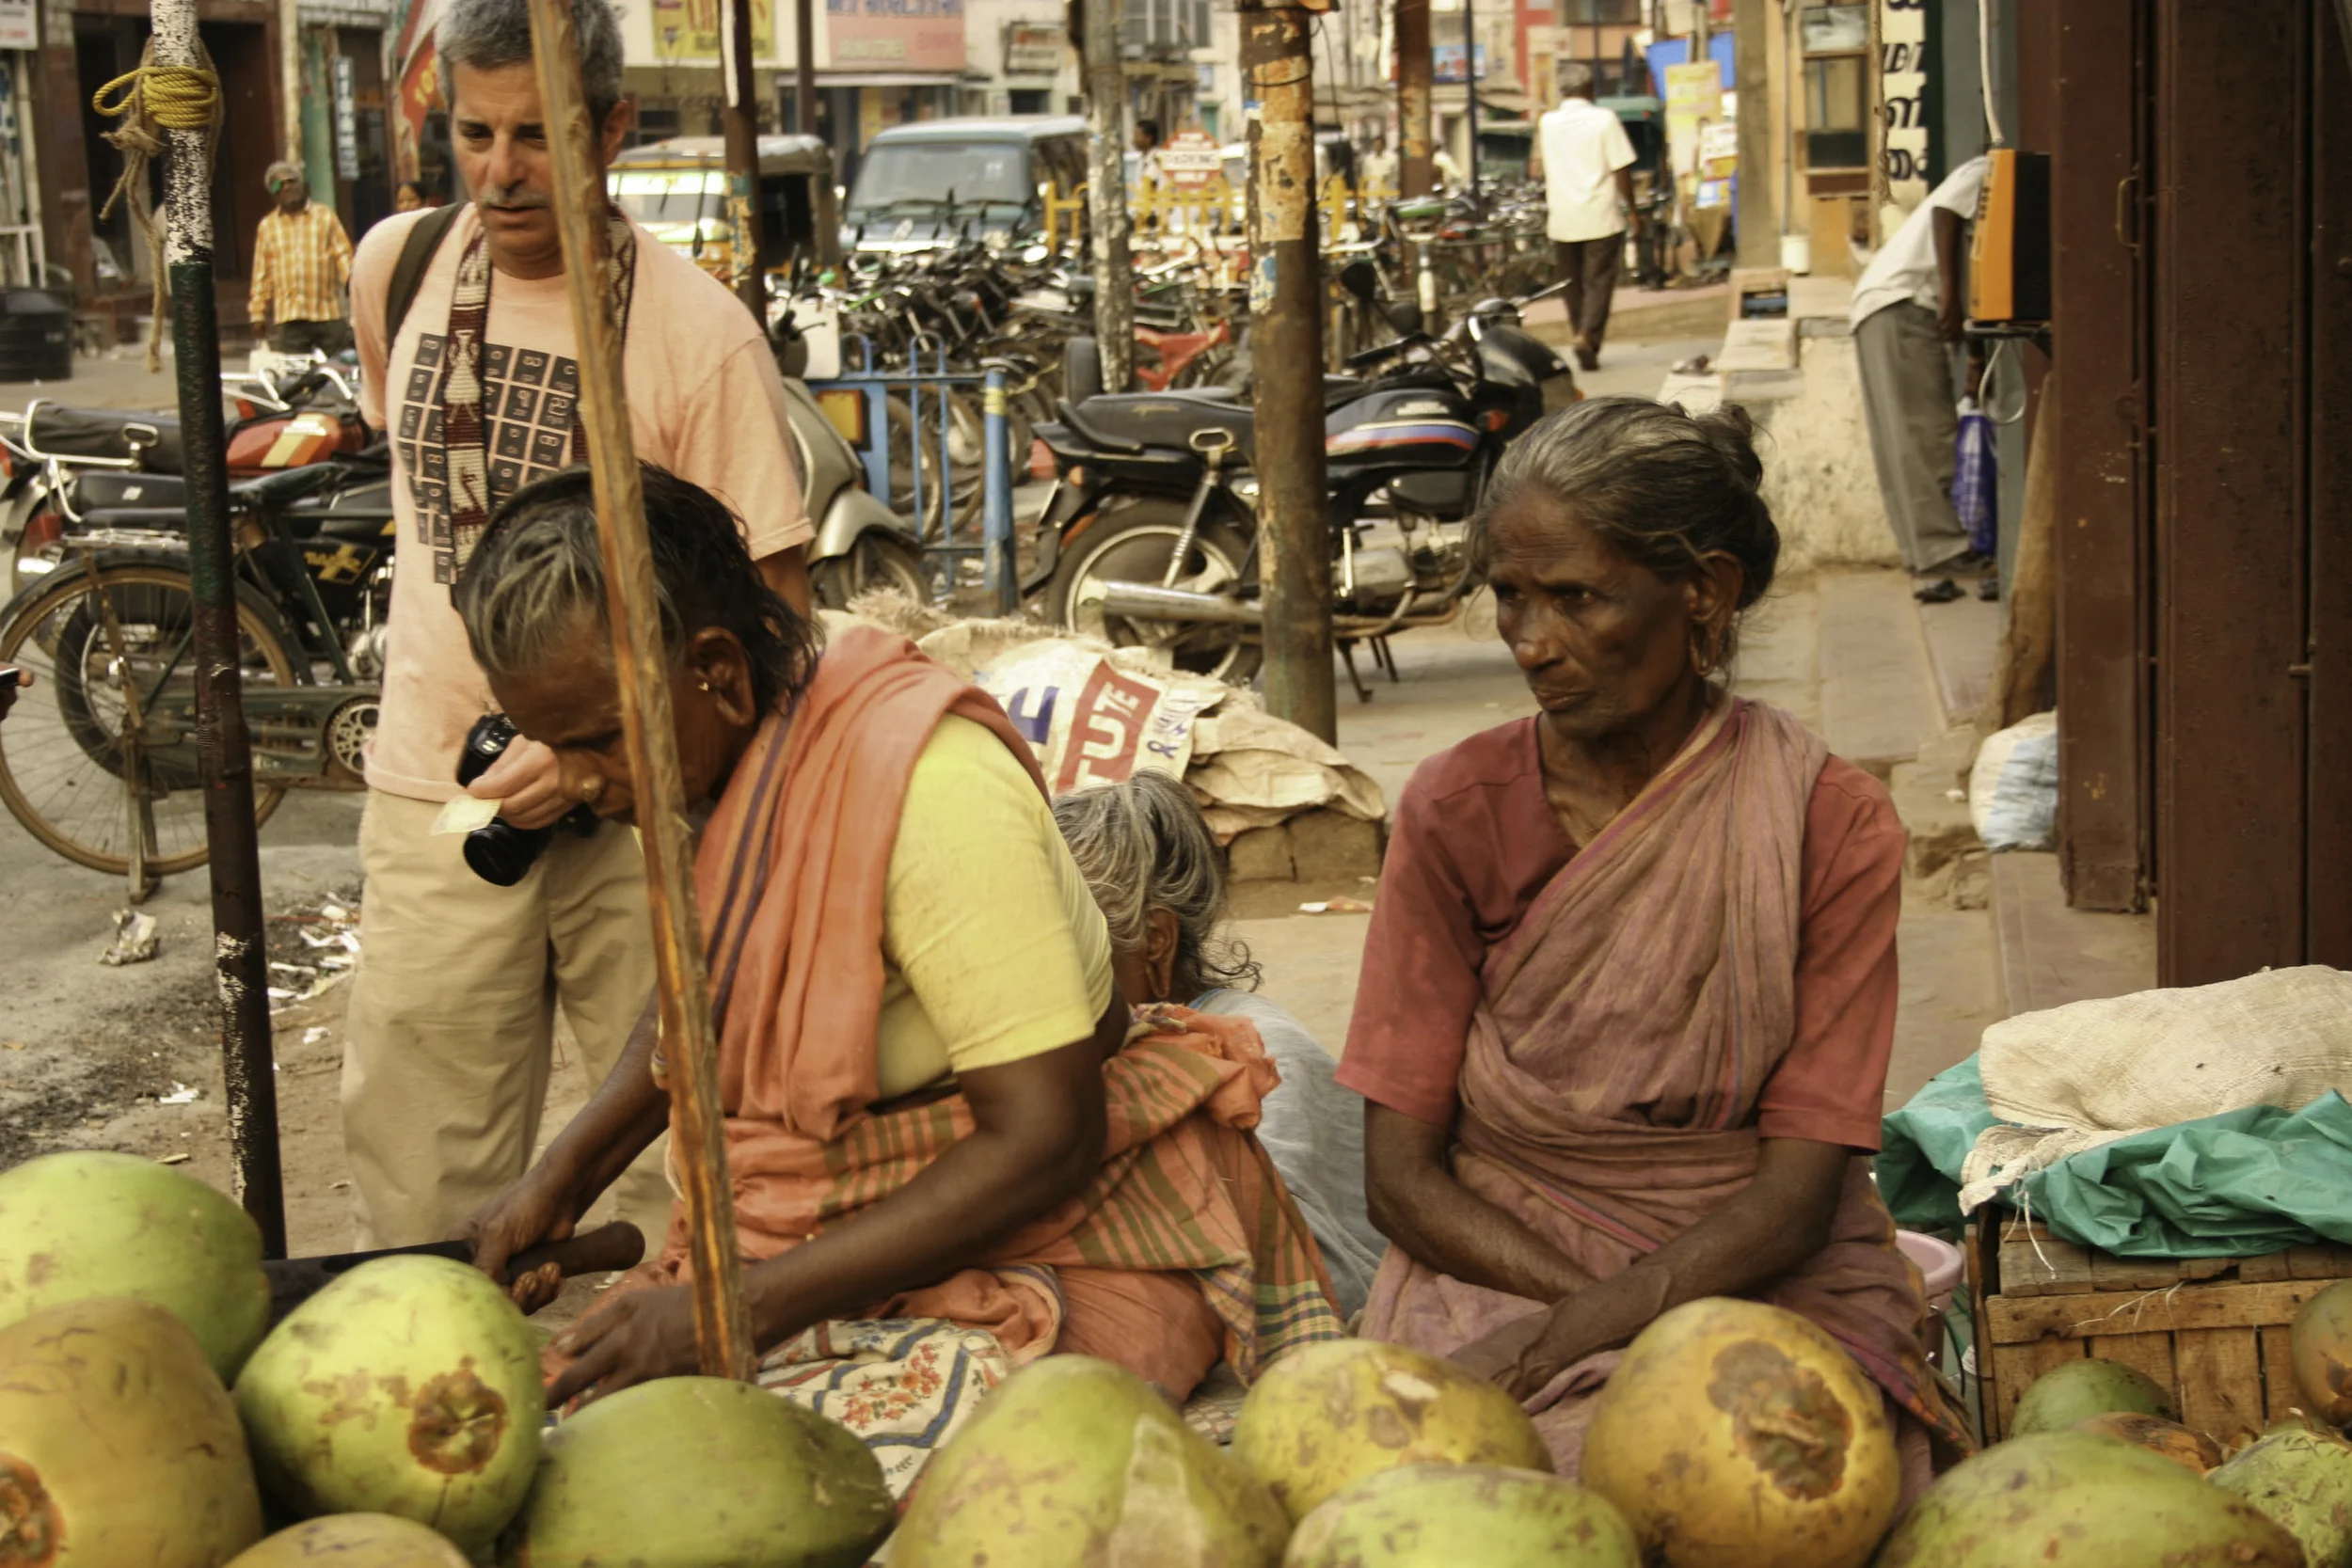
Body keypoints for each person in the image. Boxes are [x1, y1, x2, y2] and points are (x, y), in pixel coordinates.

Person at [453, 467, 1341, 1485]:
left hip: (1072, 1240)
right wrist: (557, 1178)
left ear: (717, 671)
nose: (573, 780)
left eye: (598, 740)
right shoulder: (729, 760)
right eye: (551, 744)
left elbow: (1048, 1136)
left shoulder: (931, 789)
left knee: (777, 1494)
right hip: (823, 1247)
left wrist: (735, 1308)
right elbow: (710, 990)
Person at [1337, 397, 1972, 1491]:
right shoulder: (1457, 808)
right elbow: (1399, 1174)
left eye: (1576, 598)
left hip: (1756, 1263)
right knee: (1479, 1493)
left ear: (1704, 592)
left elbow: (1798, 1187)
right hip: (1493, 1256)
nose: (1532, 644)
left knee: (1778, 1487)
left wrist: (1605, 1323)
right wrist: (1583, 1320)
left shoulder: (1826, 821)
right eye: (1509, 598)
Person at [341, 0, 815, 1251]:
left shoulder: (699, 339)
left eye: (539, 137)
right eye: (475, 134)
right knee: (423, 1191)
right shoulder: (395, 267)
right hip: (436, 804)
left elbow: (776, 624)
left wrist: (603, 749)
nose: (500, 173)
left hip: (642, 825)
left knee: (673, 1185)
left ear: (611, 129)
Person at [1052, 771, 1386, 1320]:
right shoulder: (1087, 1050)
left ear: (1155, 942)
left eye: (1065, 948)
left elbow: (1298, 1274)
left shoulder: (1258, 1056)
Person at [1851, 154, 1993, 592]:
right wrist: (1950, 293)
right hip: (1903, 304)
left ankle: (1925, 553)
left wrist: (1973, 358)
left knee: (1905, 439)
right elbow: (1944, 211)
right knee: (1924, 434)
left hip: (1885, 305)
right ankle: (1943, 550)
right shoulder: (1987, 170)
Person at [1535, 63, 1637, 372]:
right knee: (1599, 280)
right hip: (1601, 213)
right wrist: (1632, 209)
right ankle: (1586, 336)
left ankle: (1581, 332)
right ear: (1590, 88)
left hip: (1563, 215)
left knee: (1572, 282)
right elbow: (1621, 168)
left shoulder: (1547, 123)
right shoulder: (1604, 120)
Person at [248, 162, 356, 356]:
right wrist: (258, 313)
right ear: (273, 193)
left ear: (302, 185)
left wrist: (355, 290)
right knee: (292, 379)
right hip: (290, 317)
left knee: (341, 373)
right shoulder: (268, 226)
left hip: (328, 312)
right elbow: (261, 274)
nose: (288, 186)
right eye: (279, 184)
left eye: (292, 181)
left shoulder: (325, 216)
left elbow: (344, 256)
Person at [1359, 130, 1398, 198]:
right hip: (1372, 193)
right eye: (1376, 145)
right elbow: (1365, 177)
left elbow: (1396, 174)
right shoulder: (1368, 160)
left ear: (1384, 145)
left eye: (1379, 145)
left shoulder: (1392, 158)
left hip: (1388, 192)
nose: (1377, 147)